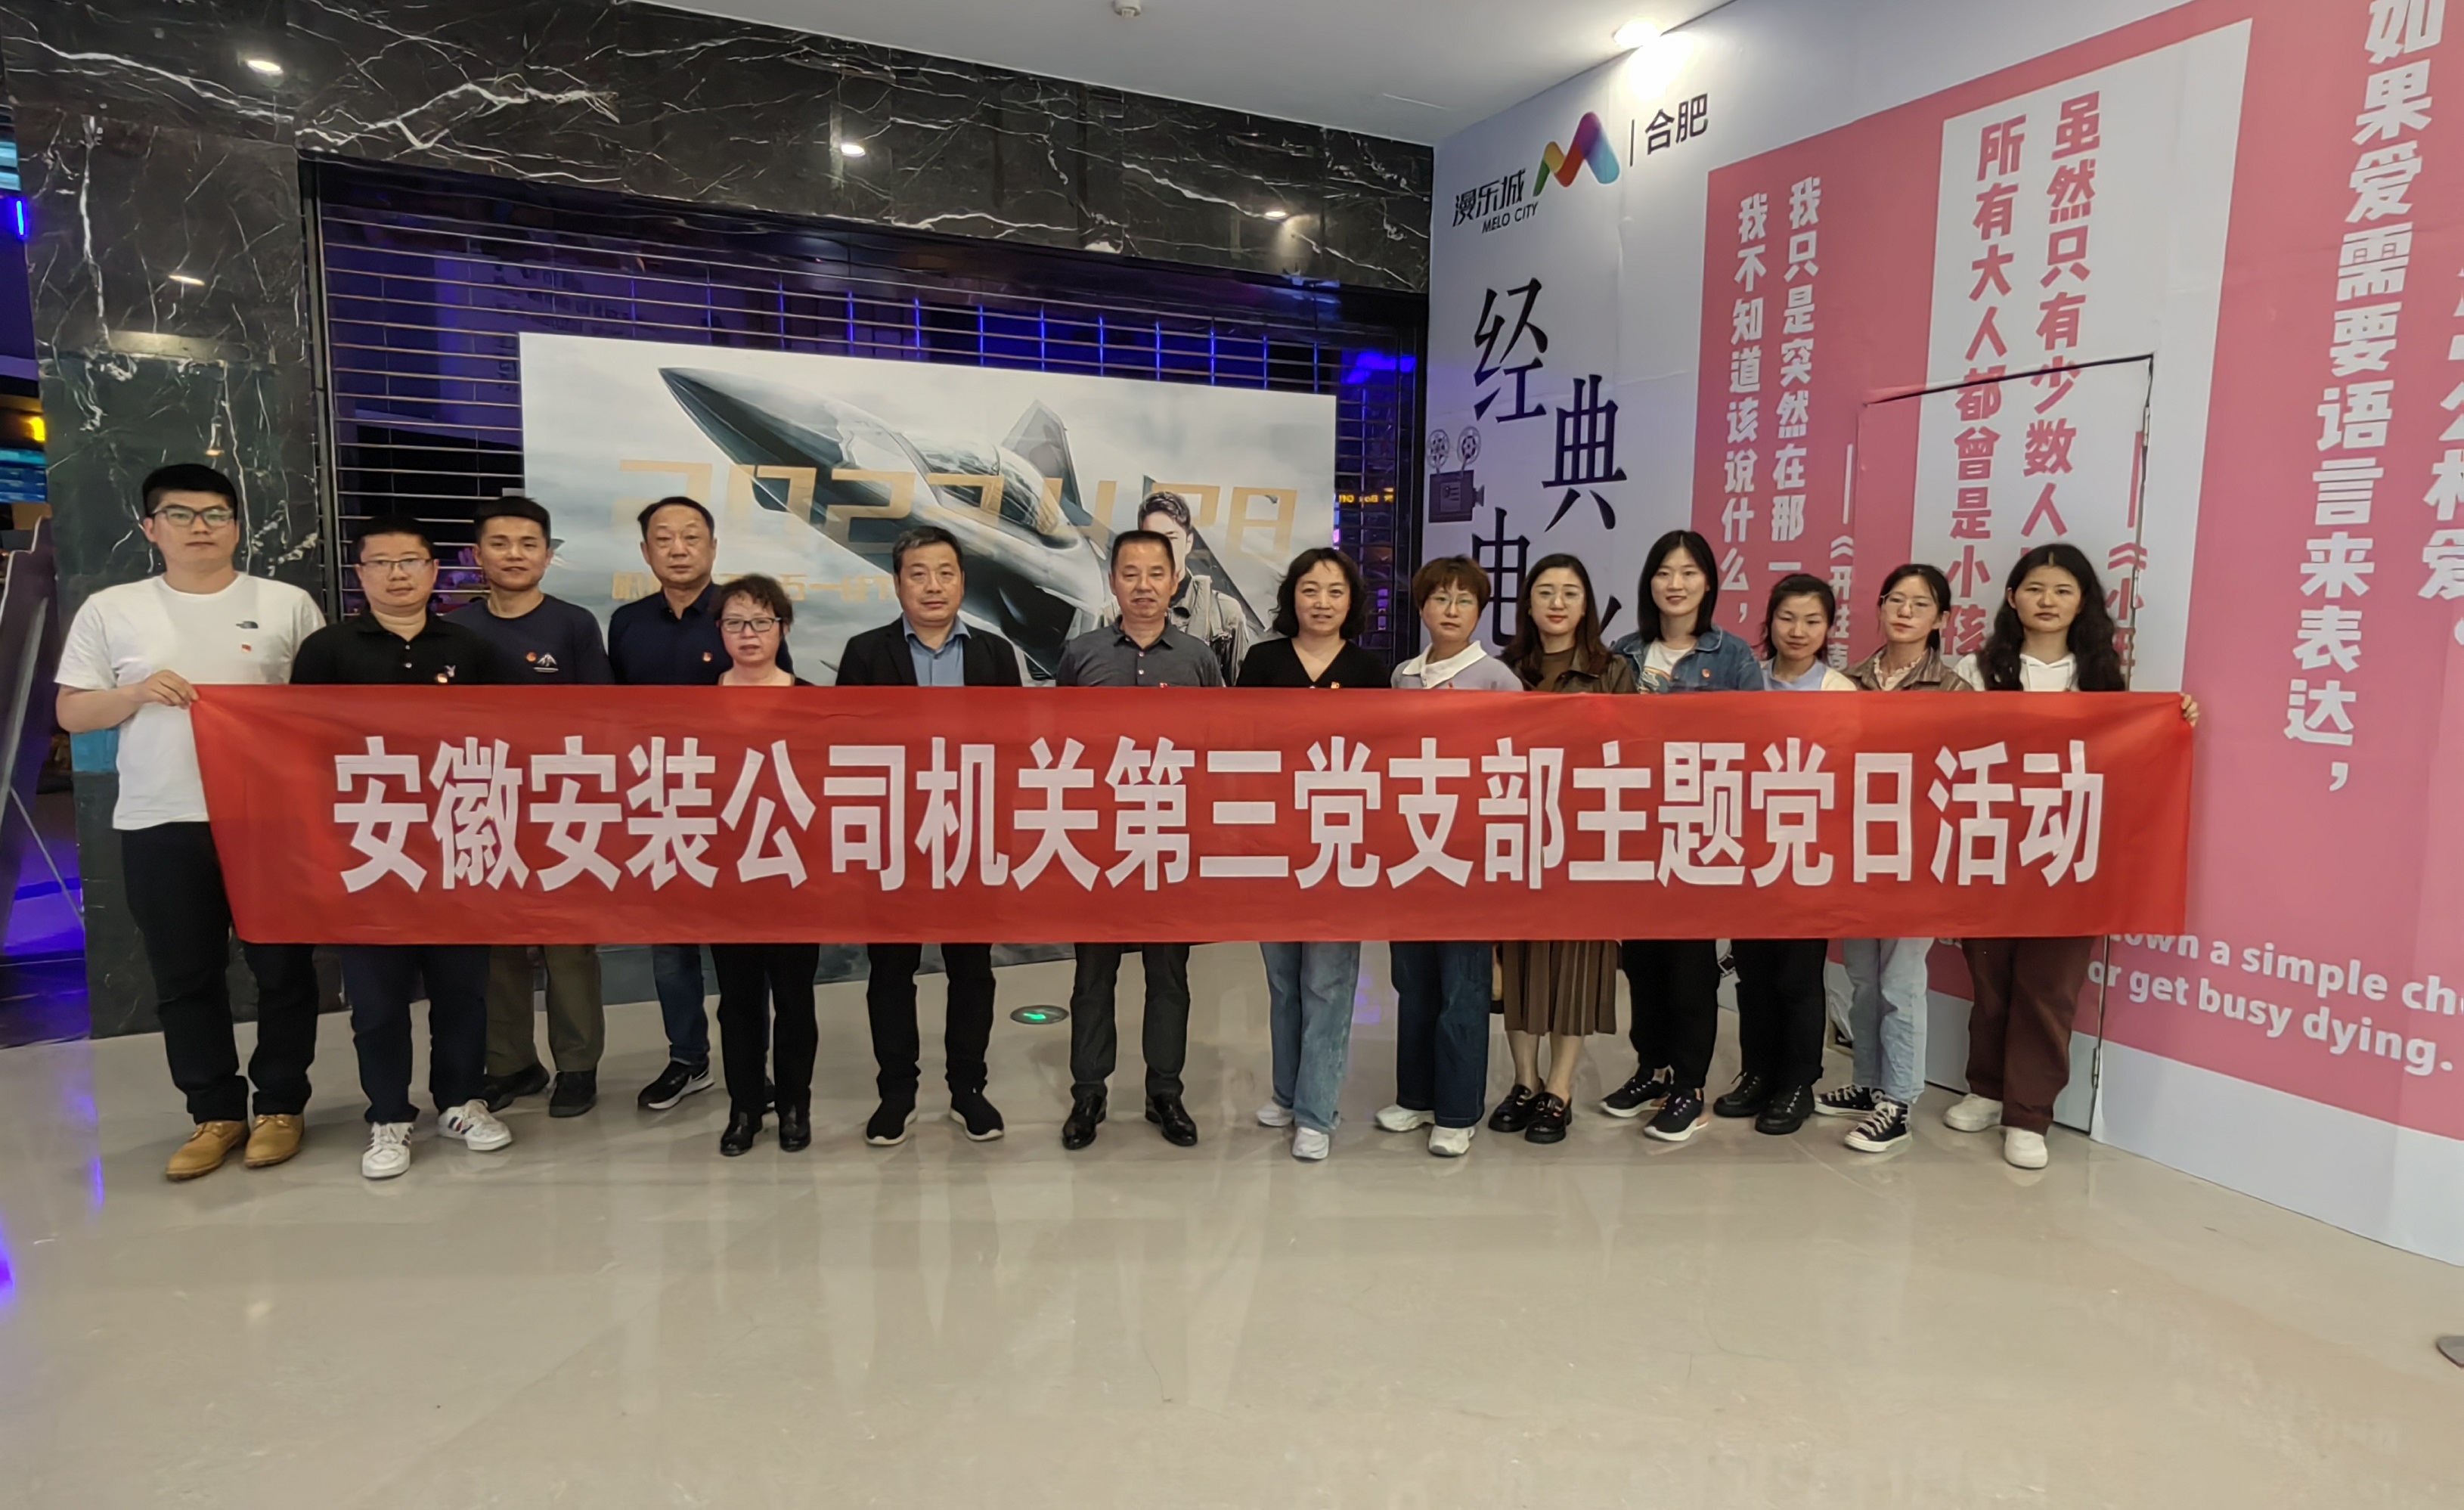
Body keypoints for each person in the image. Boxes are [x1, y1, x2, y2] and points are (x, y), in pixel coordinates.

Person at [55, 464, 327, 1182]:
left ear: (237, 526)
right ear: (151, 528)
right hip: (162, 818)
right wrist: (136, 693)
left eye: (216, 514)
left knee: (284, 969)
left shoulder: (287, 604)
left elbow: (322, 710)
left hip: (269, 819)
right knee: (185, 974)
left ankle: (281, 1105)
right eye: (181, 515)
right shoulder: (112, 609)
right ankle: (214, 1113)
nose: (200, 527)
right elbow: (72, 711)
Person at [1943, 542, 2199, 1169]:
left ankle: (2028, 1113)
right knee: (1990, 980)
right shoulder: (1975, 669)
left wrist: (2173, 719)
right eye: (2034, 588)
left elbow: (2132, 754)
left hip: (2071, 852)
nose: (2047, 601)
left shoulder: (2103, 677)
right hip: (1994, 846)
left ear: (2082, 602)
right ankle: (1986, 1090)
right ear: (2011, 597)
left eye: (2062, 590)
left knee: (2049, 986)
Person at [291, 516, 512, 1180]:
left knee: (462, 988)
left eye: (410, 561)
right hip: (366, 847)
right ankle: (388, 1114)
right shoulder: (328, 650)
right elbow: (297, 744)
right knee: (377, 997)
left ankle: (461, 1101)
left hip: (454, 842)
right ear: (360, 574)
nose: (397, 574)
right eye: (381, 562)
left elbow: (507, 740)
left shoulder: (470, 648)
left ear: (433, 570)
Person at [835, 525, 1024, 1149]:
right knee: (891, 970)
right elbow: (844, 748)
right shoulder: (866, 653)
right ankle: (897, 1092)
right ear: (897, 584)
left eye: (945, 572)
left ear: (963, 581)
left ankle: (968, 1088)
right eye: (918, 573)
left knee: (972, 968)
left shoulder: (994, 655)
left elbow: (1014, 748)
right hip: (895, 837)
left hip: (970, 835)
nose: (933, 585)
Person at [606, 496, 789, 1114]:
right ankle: (688, 1059)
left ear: (713, 547)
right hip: (662, 806)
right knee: (670, 950)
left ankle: (753, 1068)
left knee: (747, 954)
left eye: (691, 536)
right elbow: (612, 719)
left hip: (738, 811)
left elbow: (783, 712)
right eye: (664, 538)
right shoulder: (627, 624)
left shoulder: (742, 616)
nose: (678, 549)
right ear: (645, 552)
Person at [1055, 529, 1225, 1151]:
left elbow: (1217, 747)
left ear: (1175, 581)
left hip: (1169, 841)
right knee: (1091, 977)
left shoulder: (1198, 659)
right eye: (1130, 573)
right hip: (1097, 845)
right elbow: (1056, 748)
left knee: (1168, 974)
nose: (1144, 586)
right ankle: (1088, 1092)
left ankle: (1165, 1091)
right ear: (1113, 581)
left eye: (1156, 573)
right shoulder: (1081, 655)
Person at [445, 495, 611, 1119]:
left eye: (528, 544)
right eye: (500, 543)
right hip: (481, 802)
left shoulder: (573, 624)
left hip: (559, 803)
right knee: (496, 945)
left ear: (546, 554)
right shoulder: (456, 628)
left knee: (568, 943)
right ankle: (511, 1062)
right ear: (476, 554)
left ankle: (577, 1065)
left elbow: (602, 717)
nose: (514, 555)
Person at [1603, 529, 1761, 1145]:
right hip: (1635, 827)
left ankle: (1689, 1086)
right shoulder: (1624, 652)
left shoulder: (1732, 656)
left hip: (1700, 827)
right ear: (1649, 582)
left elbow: (1754, 741)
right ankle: (1653, 1068)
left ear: (1708, 583)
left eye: (1688, 572)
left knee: (1690, 964)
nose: (1675, 584)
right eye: (1664, 572)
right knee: (1641, 961)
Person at [1238, 547, 1388, 1161]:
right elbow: (1238, 747)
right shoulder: (1262, 661)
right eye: (1309, 589)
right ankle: (1286, 1091)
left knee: (1327, 980)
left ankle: (1317, 1111)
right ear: (1291, 598)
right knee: (1282, 981)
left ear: (1351, 602)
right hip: (1273, 842)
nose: (1321, 602)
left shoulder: (1369, 670)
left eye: (1334, 591)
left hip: (1340, 843)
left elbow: (1384, 759)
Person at [1818, 563, 1969, 1154]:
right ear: (1879, 608)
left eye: (1920, 603)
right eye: (1895, 600)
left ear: (1941, 619)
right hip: (1856, 848)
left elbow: (1964, 771)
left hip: (1917, 853)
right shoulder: (1848, 681)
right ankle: (1866, 1082)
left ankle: (1898, 1100)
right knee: (1861, 978)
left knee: (1901, 981)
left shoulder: (1953, 691)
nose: (1905, 612)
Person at [1486, 554, 1634, 1146]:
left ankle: (1560, 1087)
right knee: (1519, 960)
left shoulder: (1611, 670)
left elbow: (1631, 753)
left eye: (1570, 592)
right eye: (1544, 591)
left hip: (1583, 836)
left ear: (1585, 604)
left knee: (1574, 964)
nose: (1556, 602)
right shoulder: (1505, 671)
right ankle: (1524, 1081)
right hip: (1517, 831)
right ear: (1526, 603)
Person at [1379, 557, 1515, 1158]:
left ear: (1479, 610)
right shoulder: (1403, 676)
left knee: (1462, 984)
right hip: (1410, 850)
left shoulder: (1496, 678)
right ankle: (1415, 1096)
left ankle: (1457, 1110)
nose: (1451, 610)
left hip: (1467, 854)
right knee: (1413, 980)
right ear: (1422, 607)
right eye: (1439, 598)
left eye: (1464, 600)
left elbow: (1514, 765)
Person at [1720, 574, 1856, 1138]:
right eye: (1787, 618)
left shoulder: (1840, 692)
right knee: (1752, 972)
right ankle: (1758, 1072)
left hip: (1809, 853)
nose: (1798, 631)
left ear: (1828, 629)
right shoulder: (1746, 681)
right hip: (1749, 849)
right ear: (1769, 621)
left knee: (1798, 975)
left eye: (1812, 620)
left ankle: (1798, 1081)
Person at [704, 574, 823, 1157]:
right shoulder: (695, 703)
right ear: (720, 631)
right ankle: (746, 1106)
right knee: (738, 1002)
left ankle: (796, 1103)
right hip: (726, 878)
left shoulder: (813, 702)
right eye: (735, 622)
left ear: (783, 628)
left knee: (795, 998)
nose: (748, 633)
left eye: (761, 621)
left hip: (795, 875)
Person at [1099, 490, 1253, 684]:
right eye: (1153, 539)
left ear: (1188, 543)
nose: (1162, 549)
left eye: (1171, 538)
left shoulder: (1224, 614)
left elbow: (1243, 693)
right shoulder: (1113, 615)